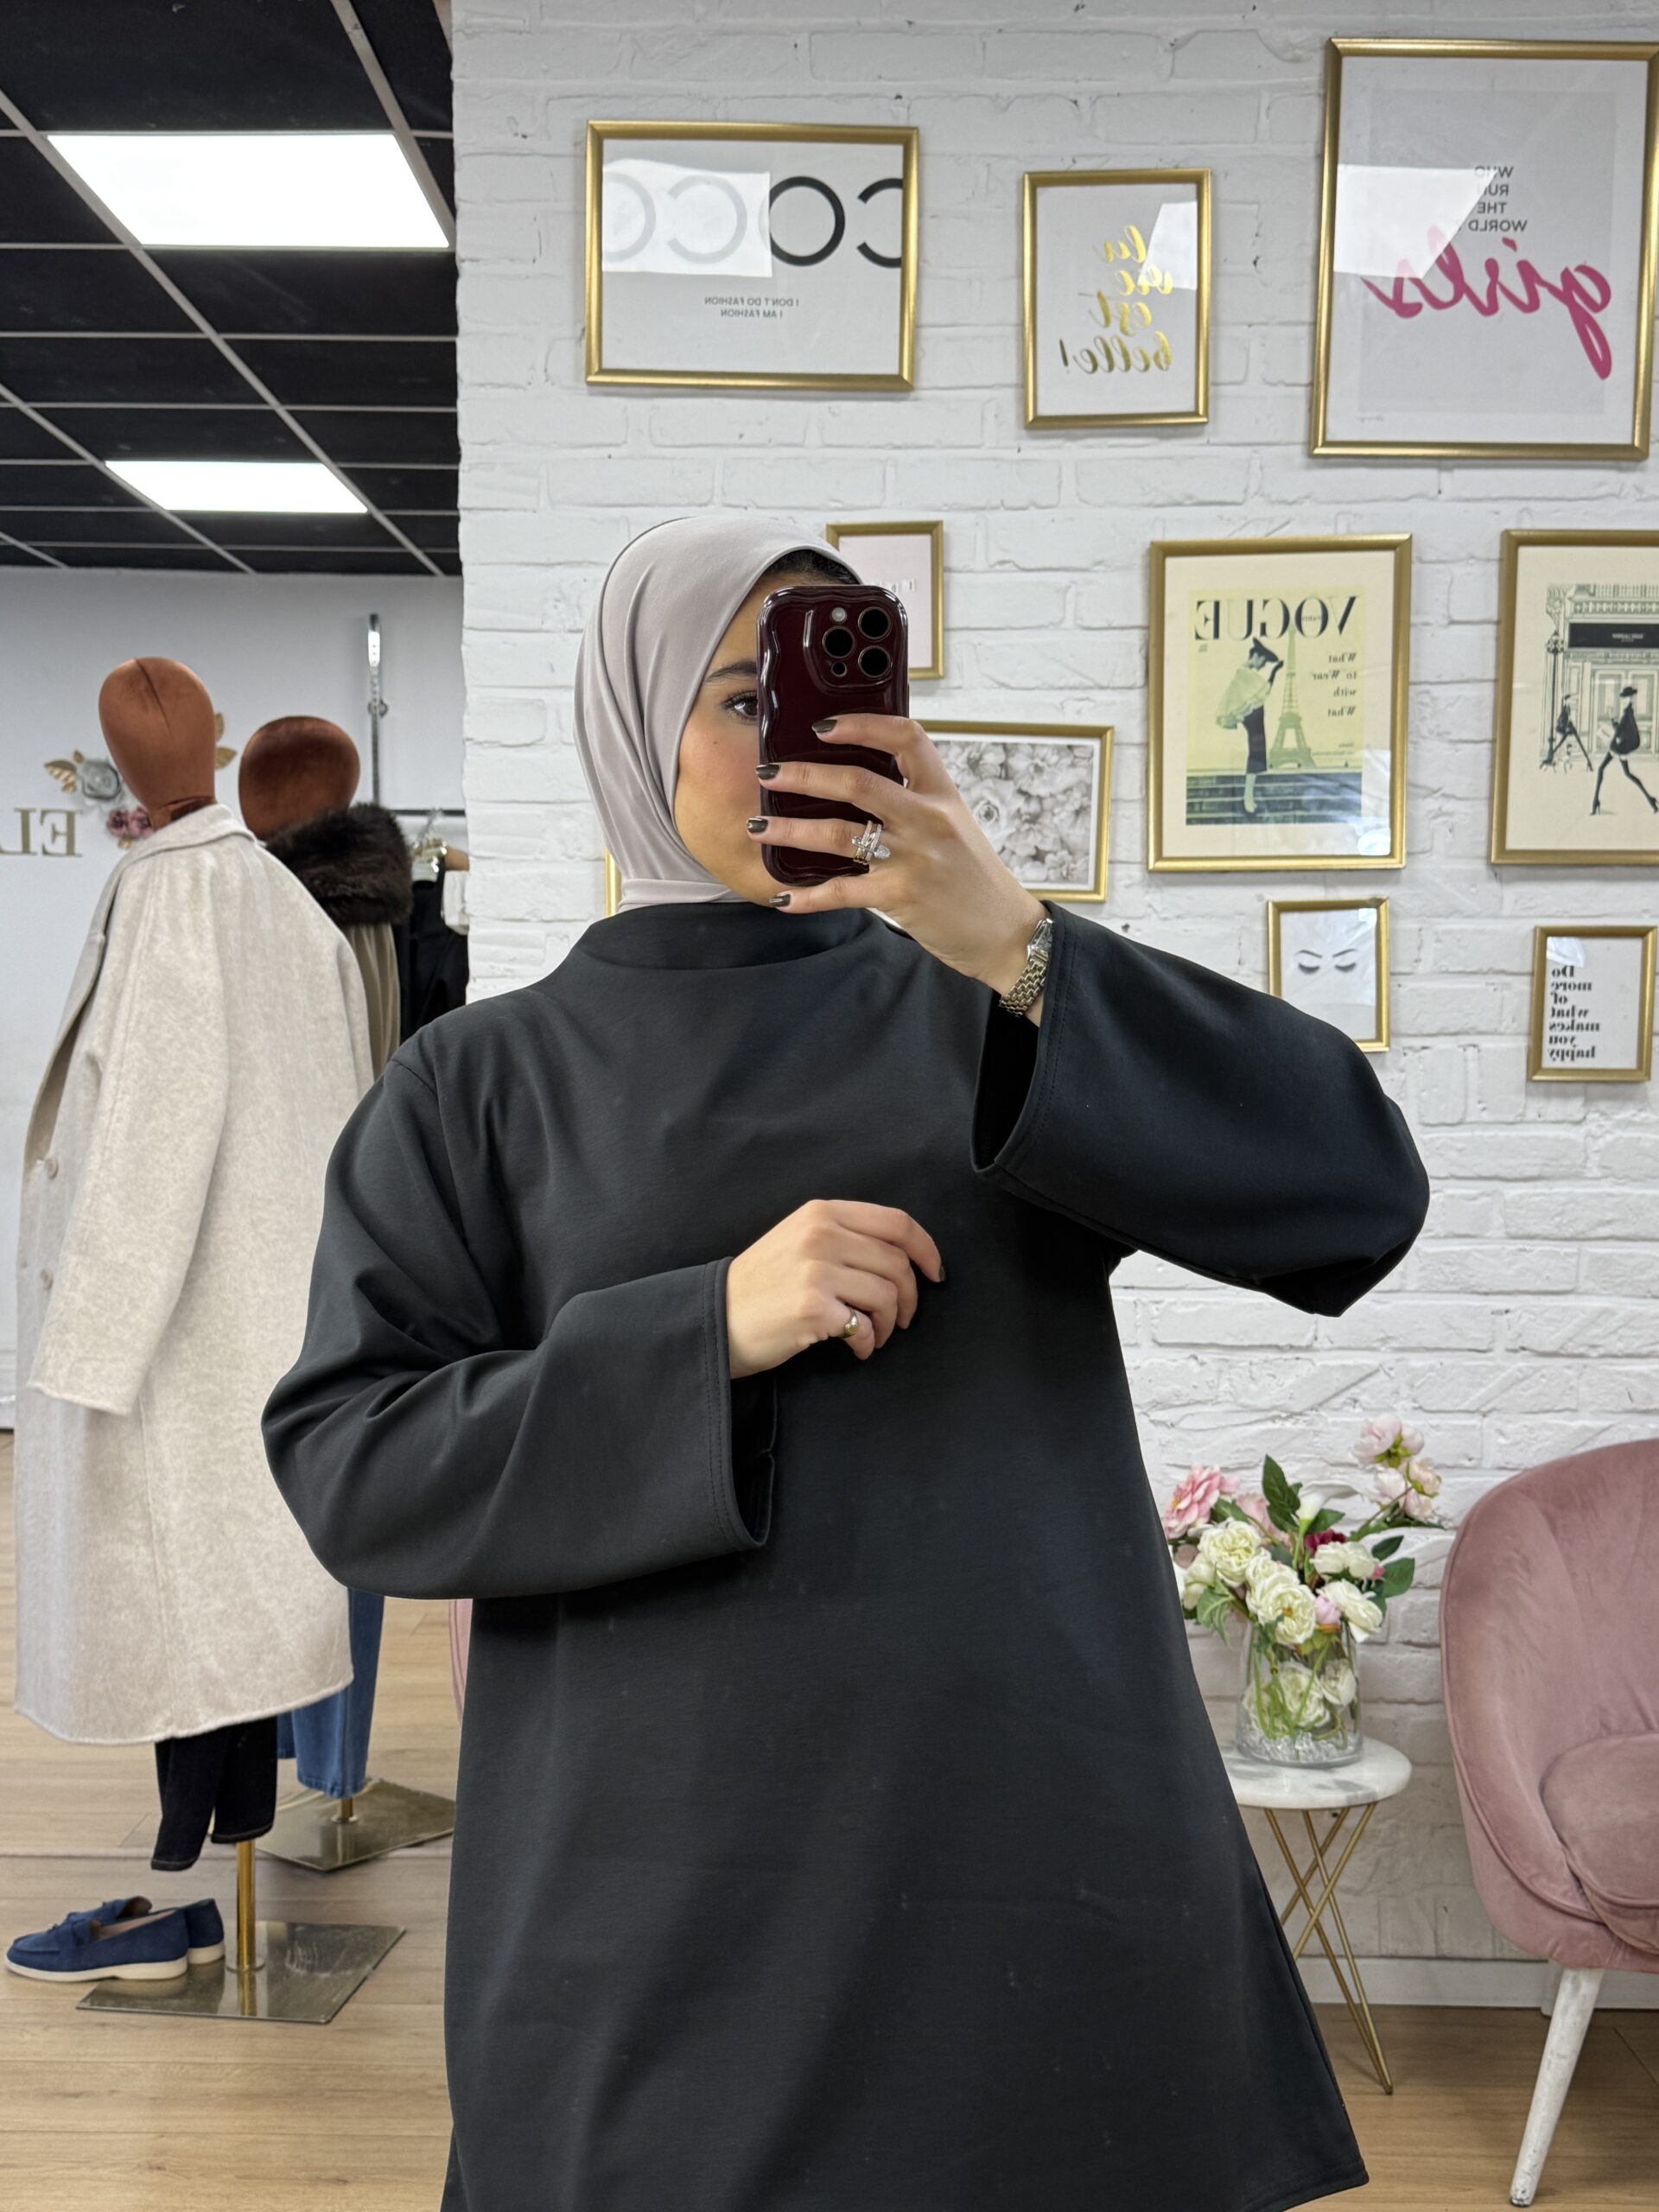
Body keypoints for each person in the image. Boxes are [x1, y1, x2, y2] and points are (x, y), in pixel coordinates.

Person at [264, 514, 1430, 2212]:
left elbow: (1356, 1195)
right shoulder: (478, 1084)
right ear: (633, 721)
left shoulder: (992, 1015)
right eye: (744, 697)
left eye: (839, 690)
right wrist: (707, 1327)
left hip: (1030, 1859)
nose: (799, 741)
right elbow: (355, 1466)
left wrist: (1022, 942)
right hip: (657, 1895)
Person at [1213, 635, 1284, 817]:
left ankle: (1249, 799)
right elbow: (1264, 689)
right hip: (1253, 718)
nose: (1262, 666)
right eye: (1263, 662)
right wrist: (1274, 672)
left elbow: (1258, 693)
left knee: (1257, 754)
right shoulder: (1244, 673)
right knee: (1256, 755)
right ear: (1257, 656)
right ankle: (1248, 800)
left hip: (1254, 717)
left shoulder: (1244, 672)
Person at [1591, 684, 1658, 816]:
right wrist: (1614, 724)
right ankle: (1650, 800)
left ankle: (1595, 802)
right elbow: (1621, 730)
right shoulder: (1627, 712)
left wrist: (1612, 724)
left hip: (1622, 746)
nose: (1624, 700)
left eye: (1626, 698)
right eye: (1623, 698)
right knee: (1626, 774)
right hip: (1621, 745)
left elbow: (1623, 732)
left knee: (1602, 769)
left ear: (1631, 698)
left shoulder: (1628, 713)